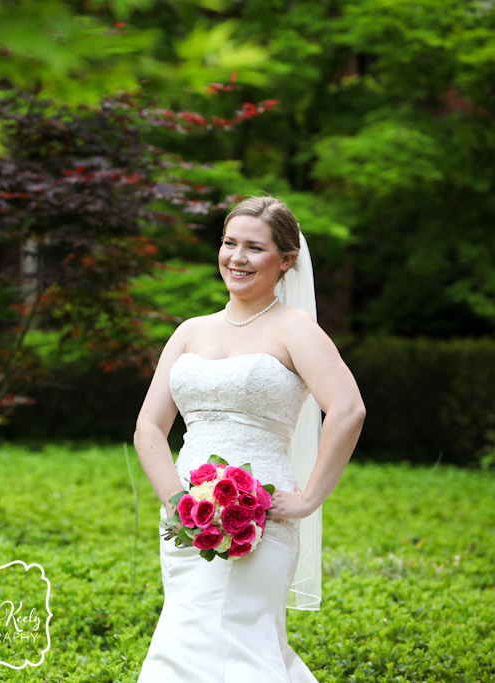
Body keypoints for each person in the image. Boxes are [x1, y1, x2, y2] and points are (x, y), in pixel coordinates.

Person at [134, 196, 365, 682]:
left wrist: (308, 499)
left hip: (258, 515)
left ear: (285, 261)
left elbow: (347, 409)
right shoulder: (190, 332)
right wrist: (176, 500)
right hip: (185, 520)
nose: (236, 258)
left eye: (254, 248)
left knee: (236, 640)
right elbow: (148, 428)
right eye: (229, 243)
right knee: (191, 634)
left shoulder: (296, 328)